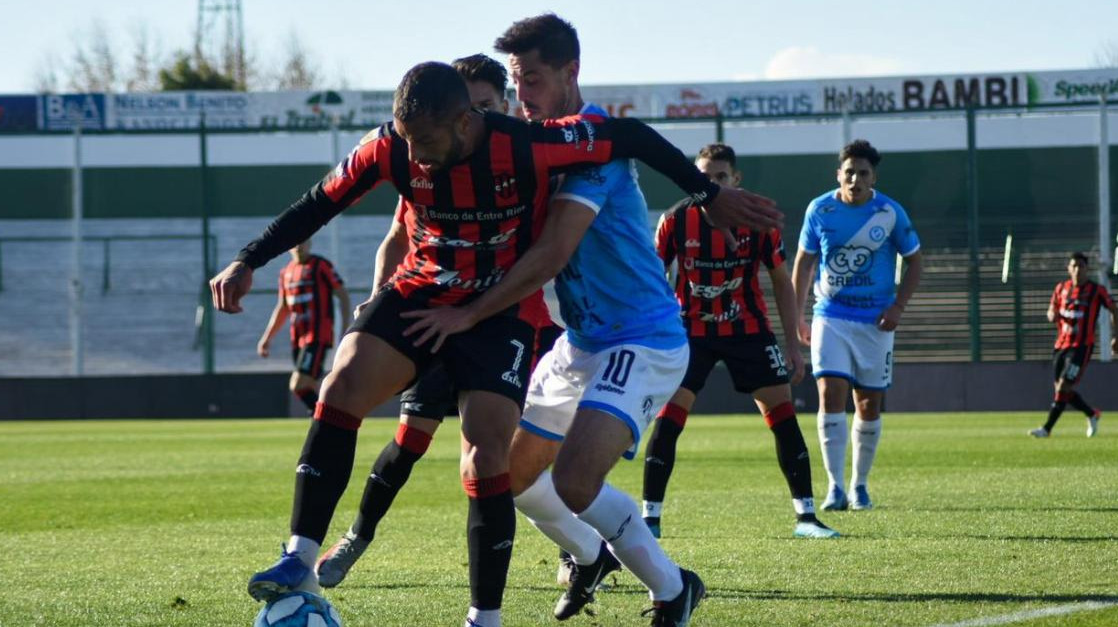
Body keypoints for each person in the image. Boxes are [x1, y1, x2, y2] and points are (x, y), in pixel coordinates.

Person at [209, 60, 779, 627]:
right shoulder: (390, 147)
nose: (417, 155)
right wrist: (247, 260)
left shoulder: (529, 144)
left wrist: (706, 193)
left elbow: (626, 136)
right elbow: (319, 202)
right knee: (341, 384)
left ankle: (486, 617)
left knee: (487, 455)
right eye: (408, 140)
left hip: (499, 311)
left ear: (464, 122)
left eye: (427, 141)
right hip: (424, 290)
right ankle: (300, 558)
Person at [400, 15, 777, 626]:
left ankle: (672, 588)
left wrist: (469, 314)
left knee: (575, 479)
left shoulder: (591, 146)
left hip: (644, 339)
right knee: (506, 476)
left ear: (571, 72)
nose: (524, 97)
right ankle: (586, 554)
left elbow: (553, 252)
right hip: (581, 343)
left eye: (535, 80)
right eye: (517, 83)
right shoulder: (532, 141)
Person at [314, 53, 561, 589]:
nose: (474, 117)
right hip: (435, 318)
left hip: (517, 324)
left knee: (514, 454)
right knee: (409, 439)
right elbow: (399, 238)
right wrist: (379, 301)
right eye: (467, 106)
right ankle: (356, 535)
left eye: (485, 106)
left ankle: (575, 548)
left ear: (503, 107)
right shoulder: (431, 162)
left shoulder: (528, 157)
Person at [640, 143, 838, 541]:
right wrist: (653, 335)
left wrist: (792, 343)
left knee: (782, 418)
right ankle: (651, 521)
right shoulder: (675, 220)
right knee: (668, 423)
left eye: (720, 177)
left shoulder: (758, 220)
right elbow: (649, 276)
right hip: (690, 333)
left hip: (747, 330)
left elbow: (781, 279)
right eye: (704, 176)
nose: (711, 184)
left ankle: (807, 518)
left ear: (736, 179)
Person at [791, 139, 922, 512]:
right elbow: (803, 264)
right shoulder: (820, 209)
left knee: (868, 403)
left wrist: (898, 306)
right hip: (830, 316)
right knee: (830, 393)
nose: (855, 179)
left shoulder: (889, 212)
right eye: (849, 172)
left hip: (876, 323)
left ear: (873, 177)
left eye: (862, 173)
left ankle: (859, 486)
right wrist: (799, 315)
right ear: (839, 174)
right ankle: (833, 487)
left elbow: (916, 262)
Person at [1028, 252, 1118, 438]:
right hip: (1061, 345)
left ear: (1087, 269)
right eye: (1074, 266)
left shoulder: (1096, 290)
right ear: (1069, 269)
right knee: (1062, 391)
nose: (1078, 270)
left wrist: (1117, 336)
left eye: (1081, 266)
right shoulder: (1061, 288)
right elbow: (1051, 310)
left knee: (1063, 387)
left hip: (1081, 347)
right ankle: (1092, 414)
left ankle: (1046, 429)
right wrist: (1051, 315)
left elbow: (1114, 310)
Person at [257, 238, 350, 414]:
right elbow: (283, 307)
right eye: (295, 243)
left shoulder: (320, 265)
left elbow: (342, 295)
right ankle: (325, 419)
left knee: (298, 384)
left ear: (310, 244)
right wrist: (266, 338)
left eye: (303, 242)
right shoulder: (286, 272)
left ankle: (324, 418)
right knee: (310, 385)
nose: (299, 246)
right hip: (297, 338)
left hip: (317, 336)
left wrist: (345, 328)